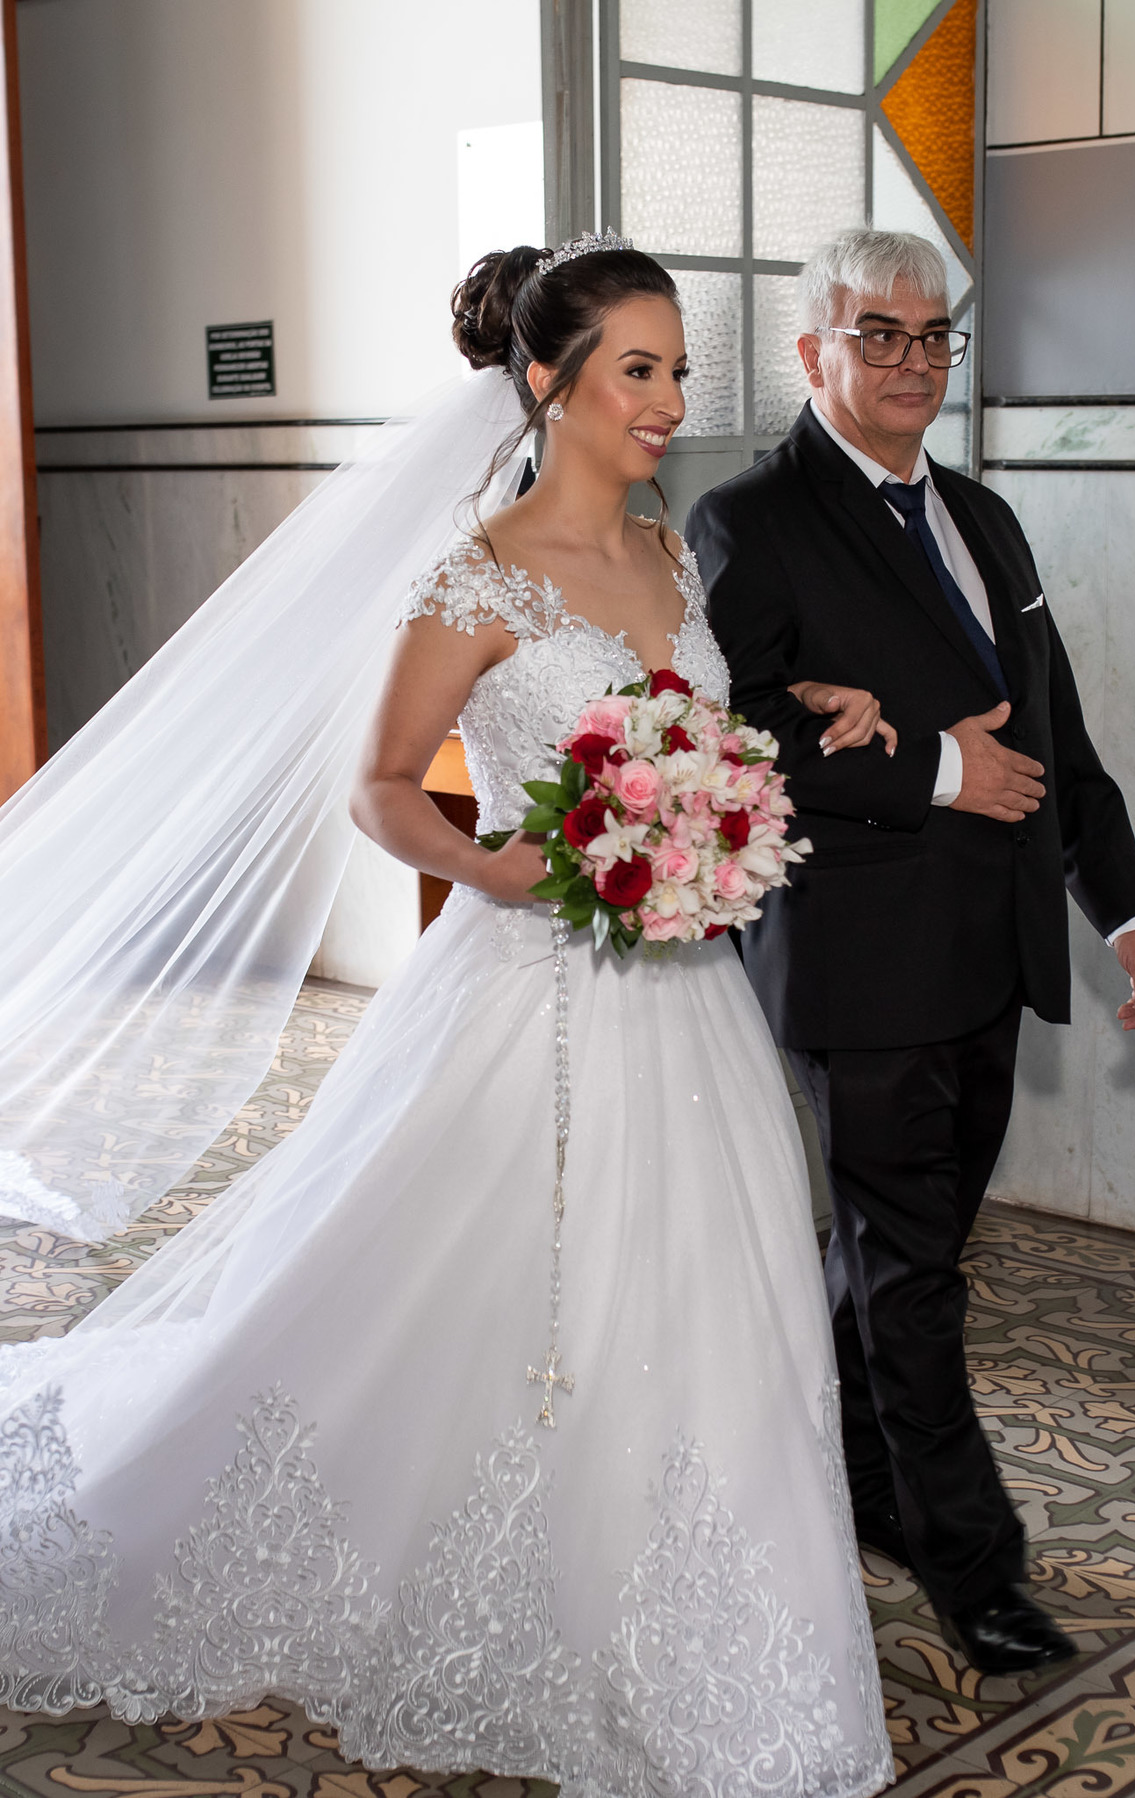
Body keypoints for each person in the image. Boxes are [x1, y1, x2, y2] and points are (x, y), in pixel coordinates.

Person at [0, 236, 894, 1798]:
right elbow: (378, 785)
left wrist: (792, 723)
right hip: (532, 996)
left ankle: (707, 1605)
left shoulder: (674, 554)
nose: (674, 398)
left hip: (686, 1002)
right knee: (495, 1288)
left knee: (712, 1283)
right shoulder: (476, 575)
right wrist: (506, 869)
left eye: (680, 368)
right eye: (642, 368)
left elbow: (684, 723)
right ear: (550, 383)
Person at [686, 228, 1135, 1678]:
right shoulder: (748, 519)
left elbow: (1058, 735)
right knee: (913, 1271)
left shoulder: (987, 517)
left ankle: (858, 1476)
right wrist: (937, 779)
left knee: (903, 1251)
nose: (912, 361)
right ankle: (977, 1570)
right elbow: (726, 737)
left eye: (933, 336)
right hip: (862, 954)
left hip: (992, 953)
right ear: (812, 350)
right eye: (878, 334)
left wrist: (1128, 913)